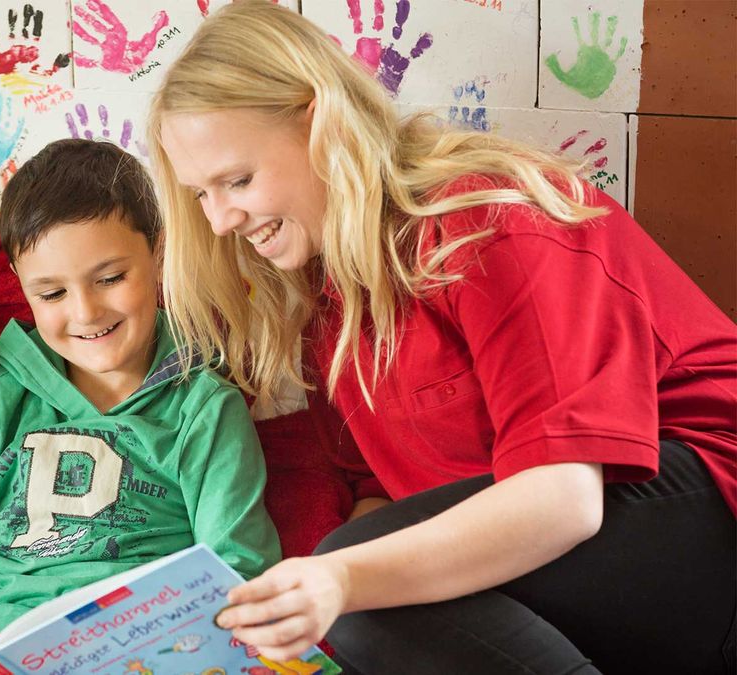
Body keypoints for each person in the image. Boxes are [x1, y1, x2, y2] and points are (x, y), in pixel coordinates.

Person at [148, 2, 736, 674]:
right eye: (200, 194)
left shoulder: (488, 218)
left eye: (237, 180)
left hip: (705, 517)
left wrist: (342, 580)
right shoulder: (327, 302)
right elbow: (381, 500)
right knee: (363, 590)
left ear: (320, 126)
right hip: (582, 570)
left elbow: (565, 499)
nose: (220, 220)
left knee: (361, 583)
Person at [0, 138, 281, 673]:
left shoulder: (204, 409)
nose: (86, 312)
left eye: (110, 278)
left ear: (158, 252)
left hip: (145, 653)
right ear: (21, 284)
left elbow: (237, 575)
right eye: (52, 294)